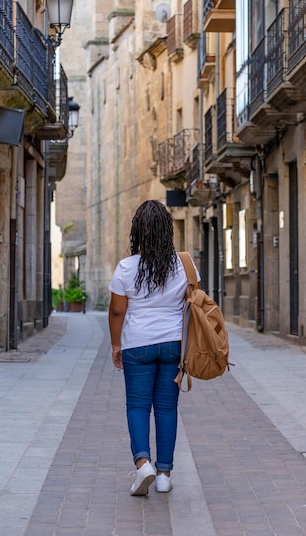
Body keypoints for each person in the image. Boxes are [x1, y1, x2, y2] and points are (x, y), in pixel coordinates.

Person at [108, 199, 200, 495]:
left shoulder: (126, 267)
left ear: (138, 232)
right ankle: (164, 474)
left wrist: (115, 345)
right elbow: (194, 302)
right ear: (167, 231)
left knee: (137, 405)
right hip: (174, 344)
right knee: (166, 408)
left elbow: (117, 312)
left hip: (138, 345)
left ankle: (143, 464)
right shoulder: (185, 263)